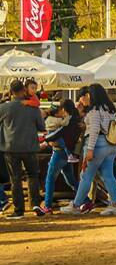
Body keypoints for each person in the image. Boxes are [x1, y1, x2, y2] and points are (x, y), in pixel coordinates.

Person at [62, 84, 116, 216]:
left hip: (97, 145)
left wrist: (89, 150)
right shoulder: (109, 109)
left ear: (91, 95)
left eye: (86, 95)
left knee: (86, 176)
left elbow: (94, 131)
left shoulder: (94, 111)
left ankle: (76, 205)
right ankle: (114, 204)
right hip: (110, 144)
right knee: (108, 175)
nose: (83, 98)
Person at [0, 78, 44, 219]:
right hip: (30, 147)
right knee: (33, 176)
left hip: (10, 148)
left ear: (11, 92)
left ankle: (19, 210)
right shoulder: (33, 107)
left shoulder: (4, 108)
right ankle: (36, 204)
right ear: (23, 90)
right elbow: (42, 127)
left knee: (16, 179)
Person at [37, 99, 82, 216]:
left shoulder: (67, 121)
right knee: (71, 180)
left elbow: (59, 135)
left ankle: (47, 206)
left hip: (59, 153)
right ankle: (85, 201)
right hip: (67, 154)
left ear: (63, 110)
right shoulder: (72, 119)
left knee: (50, 178)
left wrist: (45, 139)